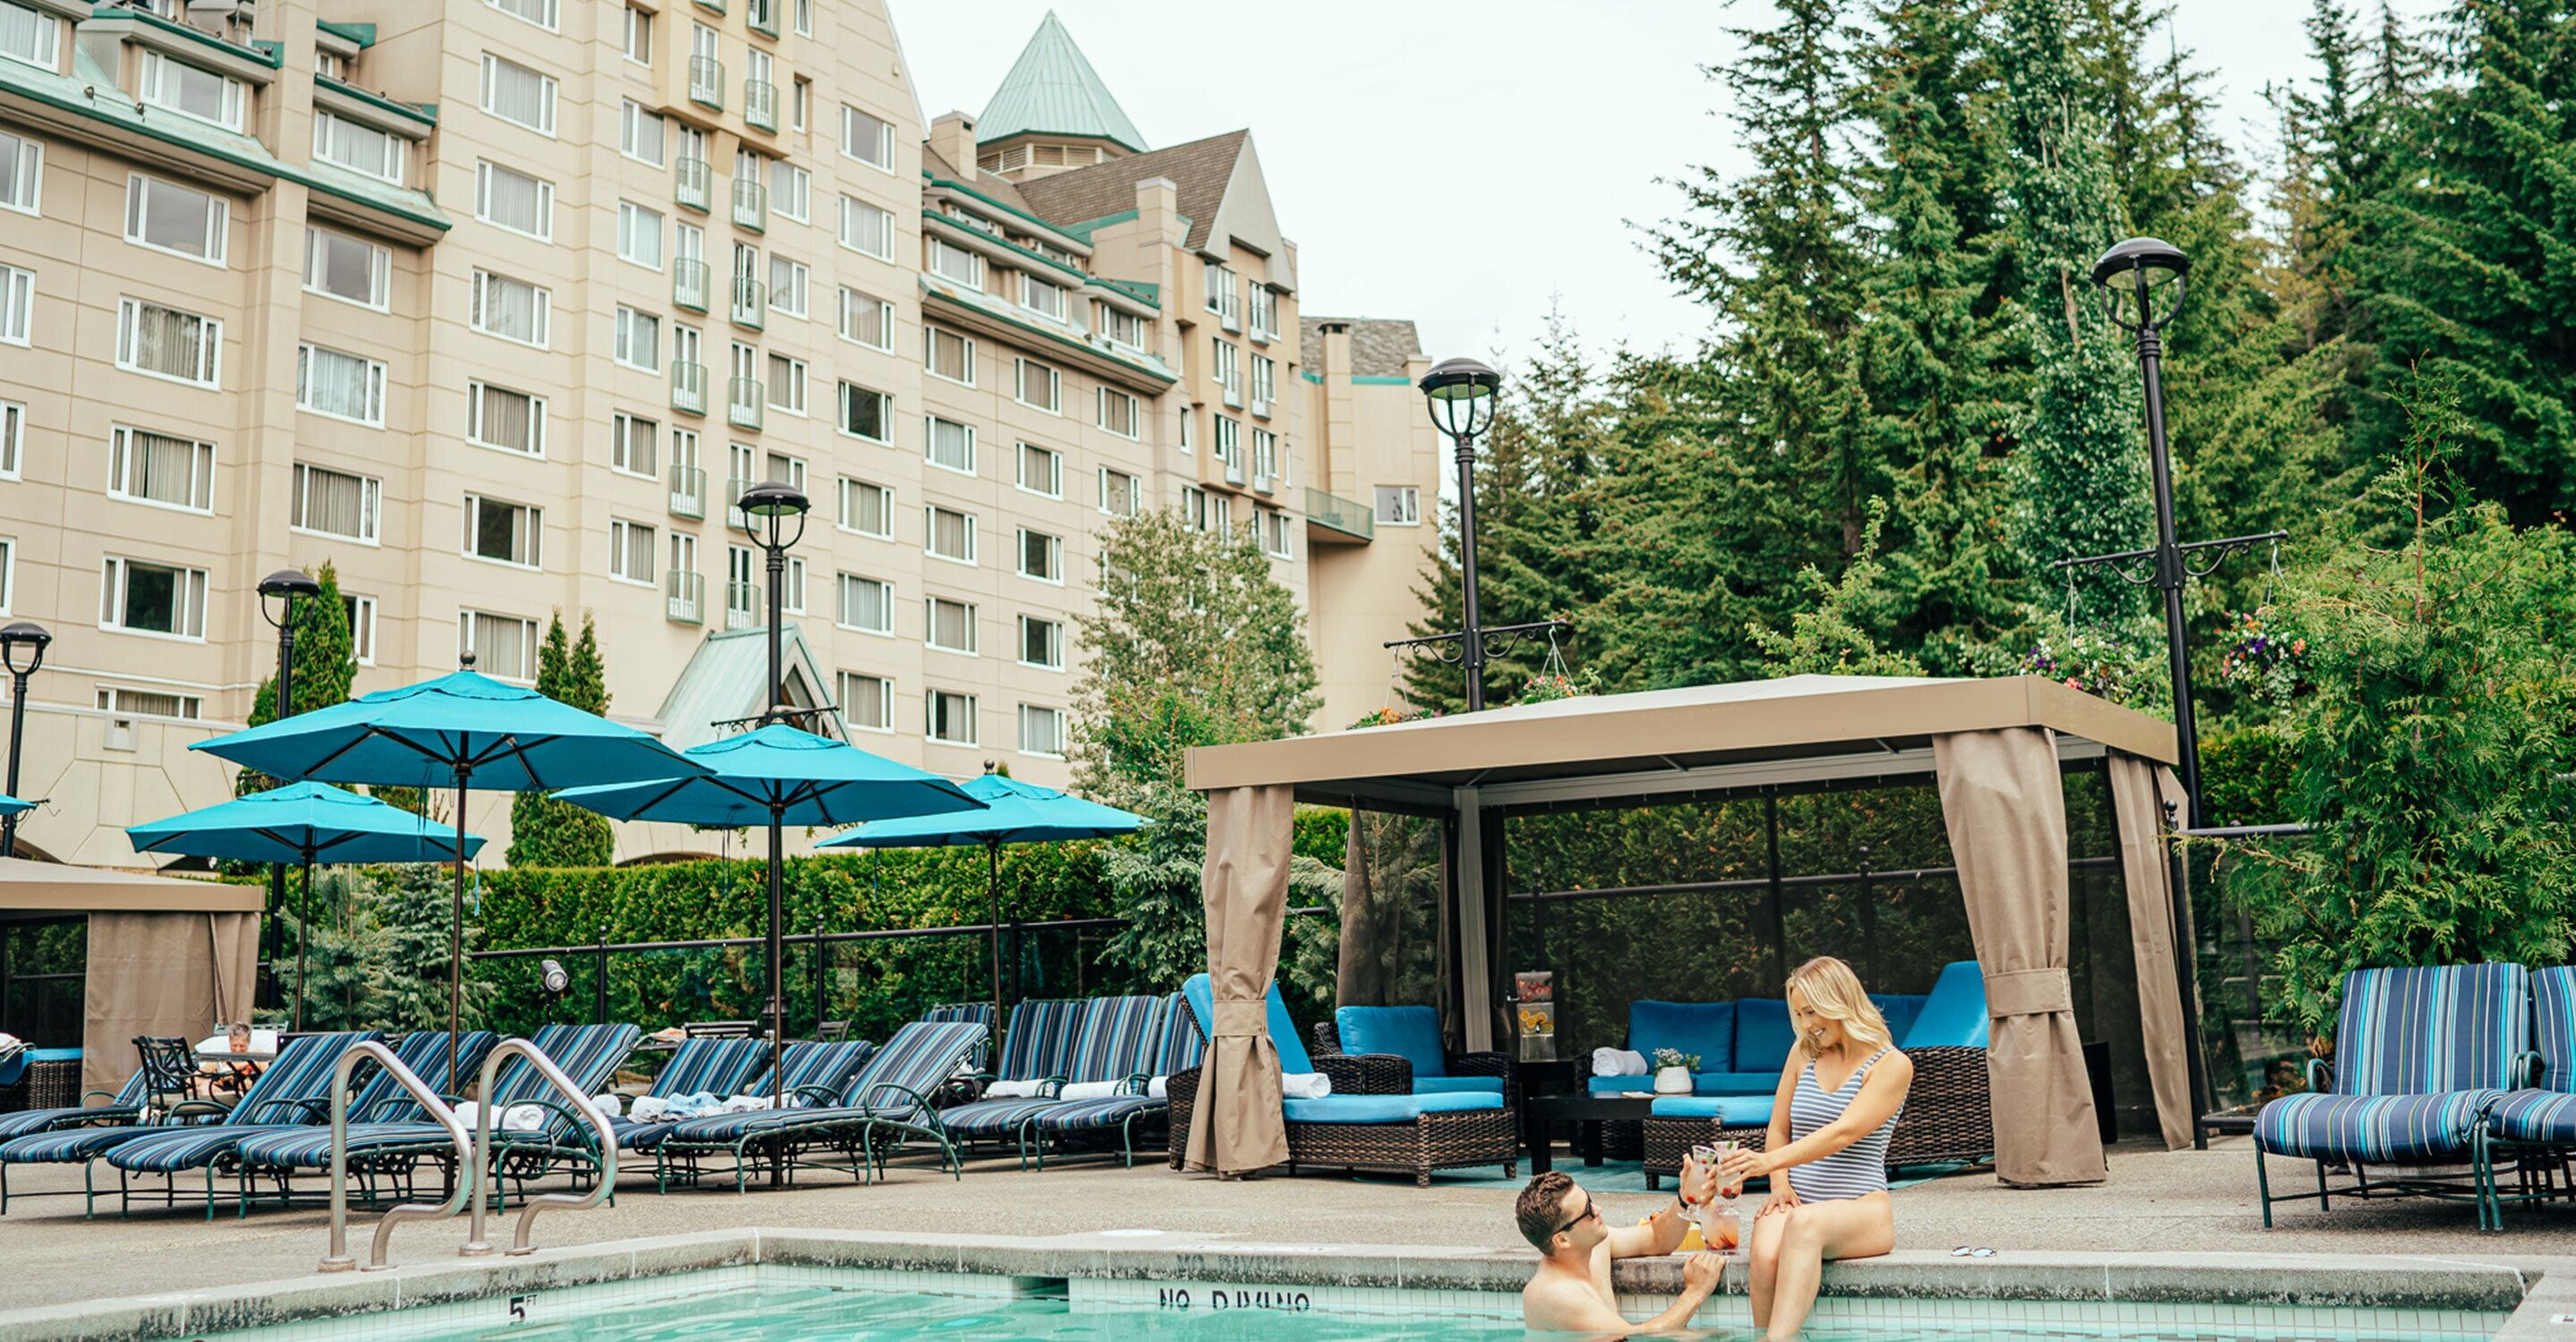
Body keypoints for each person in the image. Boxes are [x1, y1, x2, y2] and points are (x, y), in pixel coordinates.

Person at [1718, 956, 1914, 1341]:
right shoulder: (1803, 1052)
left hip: (1862, 1209)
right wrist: (1779, 1184)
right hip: (1796, 1202)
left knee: (1804, 1224)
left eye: (1812, 1012)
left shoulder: (1892, 1065)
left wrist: (1766, 1162)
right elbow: (1779, 1127)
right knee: (1765, 1251)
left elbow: (1843, 1132)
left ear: (1839, 1001)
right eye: (1798, 1014)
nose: (1806, 1024)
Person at [1517, 1158, 1731, 1335]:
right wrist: (1695, 1291)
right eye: (1587, 1211)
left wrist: (1685, 1198)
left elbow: (1658, 1239)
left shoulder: (1594, 1247)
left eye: (1590, 1199)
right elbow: (1636, 1337)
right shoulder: (1557, 1295)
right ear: (1562, 1240)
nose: (1598, 1209)